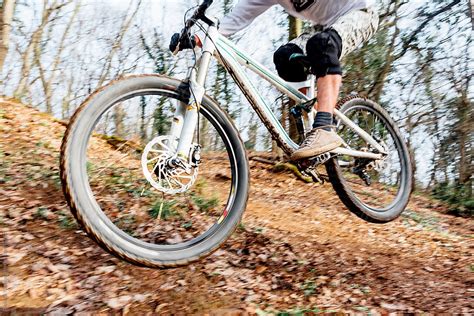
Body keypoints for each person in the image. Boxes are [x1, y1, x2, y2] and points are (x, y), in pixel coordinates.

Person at [171, 0, 379, 160]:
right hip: (324, 27)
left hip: (360, 12)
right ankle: (312, 113)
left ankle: (324, 128)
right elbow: (234, 20)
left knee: (322, 45)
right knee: (284, 57)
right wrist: (196, 39)